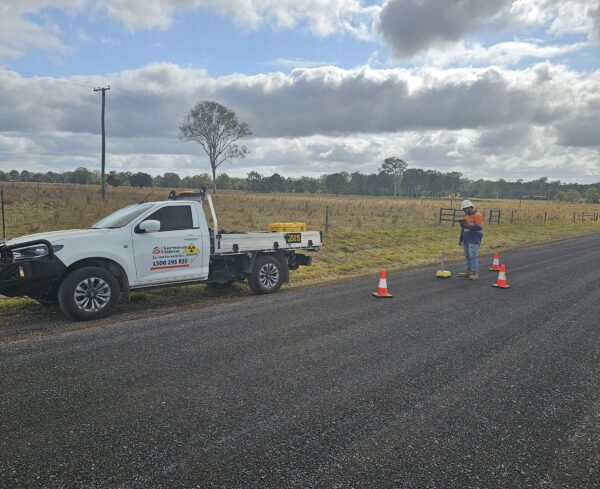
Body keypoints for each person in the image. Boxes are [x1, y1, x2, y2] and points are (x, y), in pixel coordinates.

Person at [458, 199, 484, 280]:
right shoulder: (466, 216)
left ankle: (475, 273)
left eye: (465, 209)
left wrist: (468, 226)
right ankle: (468, 271)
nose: (464, 211)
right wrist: (461, 238)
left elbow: (479, 226)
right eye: (464, 209)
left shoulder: (477, 215)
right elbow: (463, 229)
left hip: (474, 238)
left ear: (470, 207)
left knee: (473, 256)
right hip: (466, 238)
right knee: (467, 256)